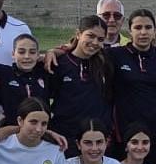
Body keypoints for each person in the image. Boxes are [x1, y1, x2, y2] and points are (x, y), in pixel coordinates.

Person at [108, 9, 156, 145]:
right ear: (130, 31)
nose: (143, 32)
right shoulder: (115, 54)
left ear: (154, 30)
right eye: (138, 27)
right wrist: (61, 50)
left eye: (148, 27)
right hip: (126, 130)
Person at [47, 16, 112, 145]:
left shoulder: (106, 62)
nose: (95, 42)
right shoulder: (59, 63)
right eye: (90, 36)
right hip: (65, 138)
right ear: (78, 34)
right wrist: (51, 52)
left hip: (95, 141)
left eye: (100, 39)